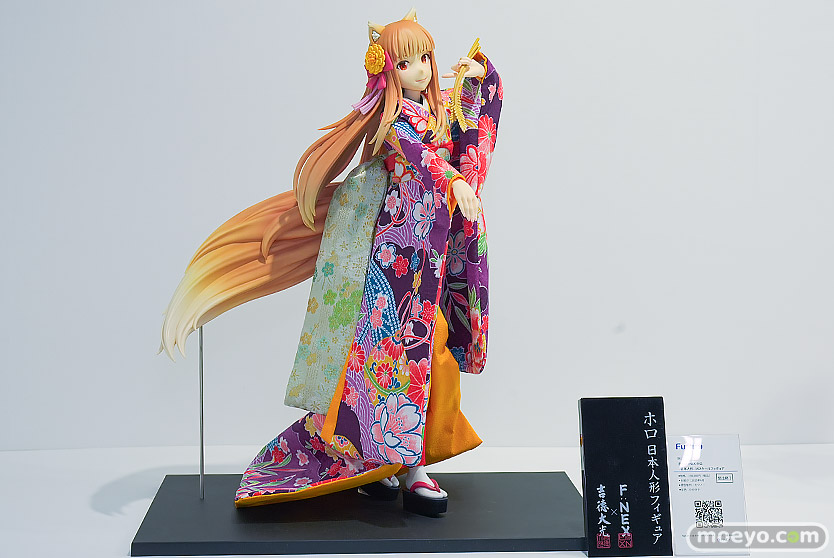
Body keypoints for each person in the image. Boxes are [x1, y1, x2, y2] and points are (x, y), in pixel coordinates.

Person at [160, 8, 503, 517]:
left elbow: (466, 144)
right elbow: (425, 159)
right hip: (396, 261)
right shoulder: (393, 123)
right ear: (388, 72)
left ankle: (388, 464)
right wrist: (453, 181)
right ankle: (409, 468)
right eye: (407, 63)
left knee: (425, 356)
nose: (422, 70)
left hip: (429, 255)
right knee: (402, 360)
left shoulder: (434, 115)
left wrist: (477, 82)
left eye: (427, 58)